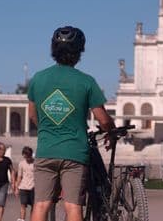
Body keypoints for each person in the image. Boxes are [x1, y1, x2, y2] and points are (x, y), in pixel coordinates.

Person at [29, 26, 115, 221]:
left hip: (46, 150)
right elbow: (102, 119)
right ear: (79, 52)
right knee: (73, 205)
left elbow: (33, 115)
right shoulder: (86, 82)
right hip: (75, 152)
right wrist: (110, 130)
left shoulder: (38, 79)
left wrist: (48, 130)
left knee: (41, 204)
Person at [16, 146, 36, 221]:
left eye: (28, 156)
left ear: (30, 155)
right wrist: (17, 188)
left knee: (33, 207)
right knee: (23, 205)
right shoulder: (21, 164)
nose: (27, 158)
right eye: (25, 156)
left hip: (33, 188)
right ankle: (22, 219)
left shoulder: (35, 163)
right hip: (23, 187)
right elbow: (19, 177)